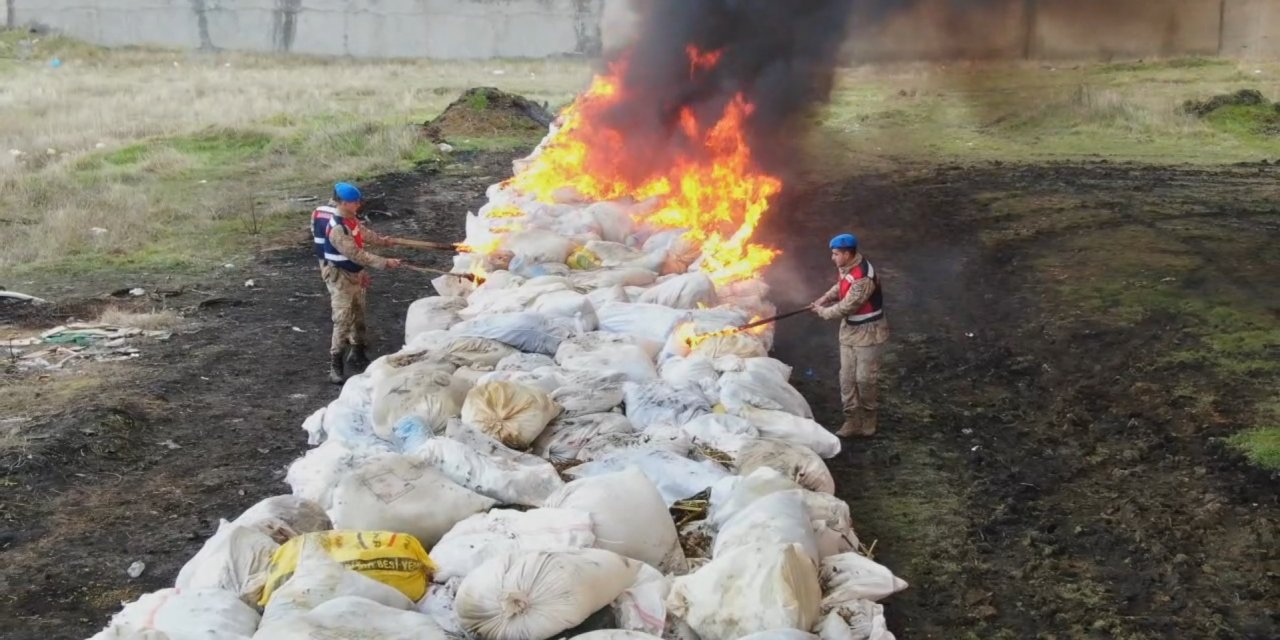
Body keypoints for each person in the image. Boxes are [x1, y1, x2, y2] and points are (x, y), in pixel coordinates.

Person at [320, 182, 402, 384]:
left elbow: (362, 233)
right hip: (341, 278)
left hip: (355, 276)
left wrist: (383, 241)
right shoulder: (337, 229)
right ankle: (336, 364)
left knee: (359, 314)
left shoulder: (350, 220)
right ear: (344, 203)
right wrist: (385, 262)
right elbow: (357, 254)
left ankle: (358, 352)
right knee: (342, 319)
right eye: (355, 202)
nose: (359, 204)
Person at [811, 233, 889, 437]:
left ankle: (869, 416)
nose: (832, 258)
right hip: (849, 331)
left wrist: (823, 311)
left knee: (864, 379)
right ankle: (852, 420)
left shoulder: (864, 277)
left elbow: (847, 306)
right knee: (846, 378)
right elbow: (841, 286)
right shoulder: (847, 267)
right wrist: (824, 298)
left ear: (847, 254)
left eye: (836, 254)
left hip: (868, 333)